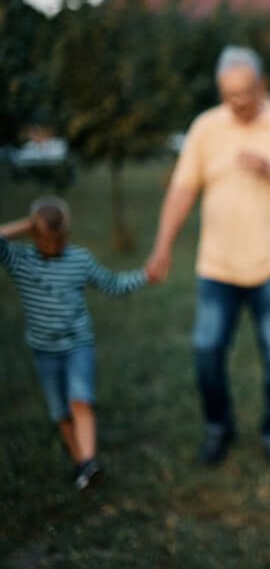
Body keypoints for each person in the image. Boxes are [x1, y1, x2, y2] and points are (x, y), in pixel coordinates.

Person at [145, 46, 270, 468]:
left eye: (244, 92)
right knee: (207, 352)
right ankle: (218, 428)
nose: (237, 102)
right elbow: (182, 189)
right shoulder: (206, 128)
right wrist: (162, 246)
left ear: (262, 85)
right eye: (228, 94)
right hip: (218, 264)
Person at [1, 197, 148, 490]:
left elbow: (113, 283)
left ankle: (89, 461)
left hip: (77, 345)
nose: (54, 246)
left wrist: (144, 275)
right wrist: (27, 225)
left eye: (60, 239)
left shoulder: (79, 259)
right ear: (33, 233)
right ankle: (83, 466)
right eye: (46, 239)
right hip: (44, 351)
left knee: (80, 400)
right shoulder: (20, 260)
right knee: (61, 412)